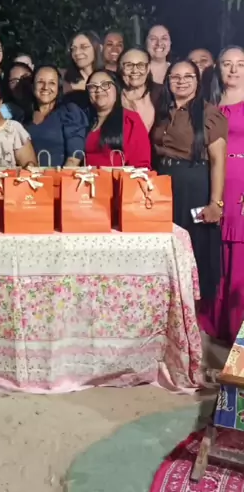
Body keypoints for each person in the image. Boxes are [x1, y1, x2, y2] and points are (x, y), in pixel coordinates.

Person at [152, 60, 227, 302]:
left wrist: (216, 203)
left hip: (194, 185)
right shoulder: (162, 112)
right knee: (167, 249)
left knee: (194, 249)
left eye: (188, 77)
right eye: (175, 77)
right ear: (168, 81)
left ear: (197, 81)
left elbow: (218, 161)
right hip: (164, 186)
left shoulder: (209, 114)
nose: (181, 81)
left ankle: (194, 314)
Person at [201, 46, 244, 342]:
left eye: (240, 64)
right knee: (213, 249)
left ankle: (237, 326)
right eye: (227, 64)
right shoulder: (208, 103)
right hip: (213, 184)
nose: (233, 69)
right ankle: (212, 323)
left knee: (239, 254)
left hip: (241, 187)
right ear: (218, 68)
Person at [84, 70, 151, 168]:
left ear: (117, 89)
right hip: (83, 177)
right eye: (93, 86)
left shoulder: (130, 120)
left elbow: (141, 165)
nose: (99, 90)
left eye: (105, 84)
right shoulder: (81, 119)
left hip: (118, 177)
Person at [25, 65, 88, 166]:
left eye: (52, 83)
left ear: (58, 88)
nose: (45, 87)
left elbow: (74, 156)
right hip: (29, 174)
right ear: (32, 87)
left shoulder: (69, 112)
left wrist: (64, 175)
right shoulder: (23, 116)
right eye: (40, 82)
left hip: (60, 174)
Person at [119, 47, 162, 131]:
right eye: (129, 65)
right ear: (121, 68)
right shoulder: (112, 94)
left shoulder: (160, 94)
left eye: (140, 65)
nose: (135, 71)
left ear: (148, 68)